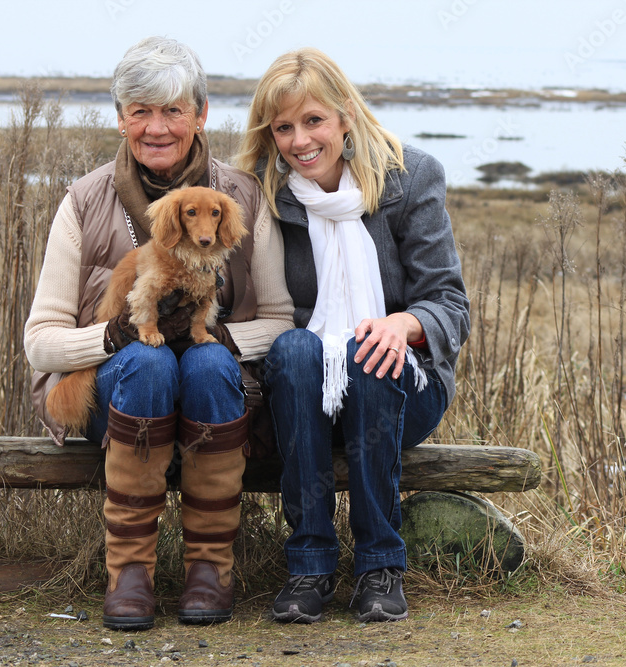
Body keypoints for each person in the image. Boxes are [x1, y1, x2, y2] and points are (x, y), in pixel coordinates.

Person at [24, 37, 293, 631]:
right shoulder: (84, 201)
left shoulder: (243, 196)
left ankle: (209, 571)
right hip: (118, 396)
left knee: (201, 365)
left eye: (173, 110)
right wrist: (117, 336)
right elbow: (40, 342)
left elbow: (281, 320)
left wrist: (217, 339)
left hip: (214, 396)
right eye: (141, 111)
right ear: (120, 120)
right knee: (150, 365)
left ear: (201, 116)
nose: (157, 128)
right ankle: (130, 576)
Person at [236, 48, 470, 623]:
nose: (299, 141)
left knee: (370, 355)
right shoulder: (266, 192)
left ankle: (379, 565)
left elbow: (450, 304)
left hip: (400, 388)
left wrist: (404, 323)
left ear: (344, 115)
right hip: (302, 392)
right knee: (292, 346)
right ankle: (309, 566)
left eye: (313, 121)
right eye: (283, 127)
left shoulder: (410, 177)